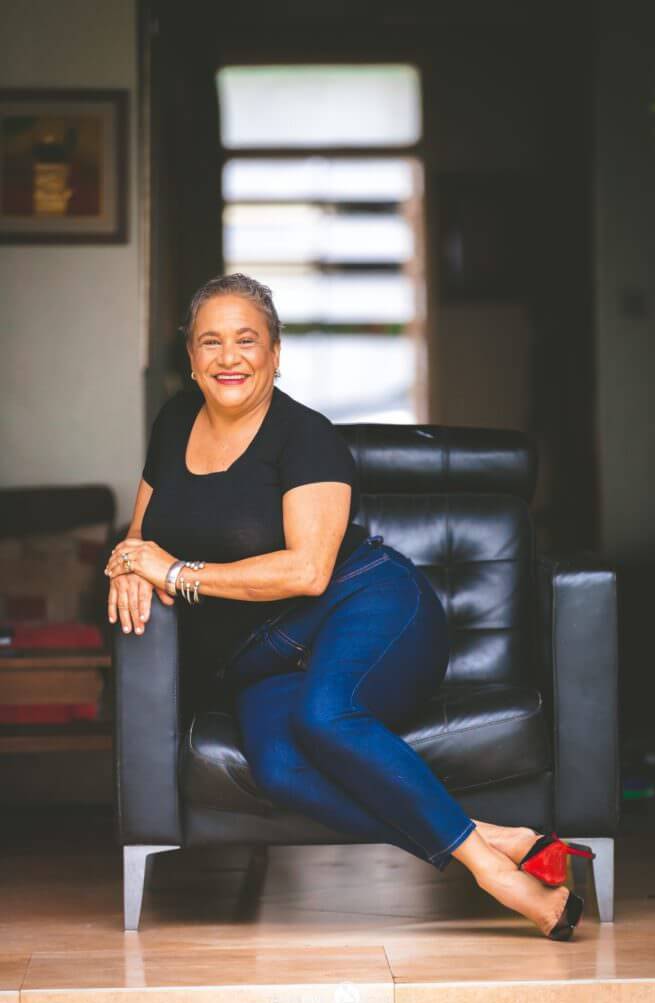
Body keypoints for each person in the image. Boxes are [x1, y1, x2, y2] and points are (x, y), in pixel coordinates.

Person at [105, 272, 586, 941]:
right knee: (280, 771)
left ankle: (493, 875)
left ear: (275, 352)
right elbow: (141, 538)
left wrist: (177, 573)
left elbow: (307, 572)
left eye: (246, 339)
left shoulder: (306, 436)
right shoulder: (172, 424)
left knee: (326, 716)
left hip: (368, 603)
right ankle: (490, 838)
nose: (228, 357)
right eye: (210, 342)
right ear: (190, 357)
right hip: (260, 659)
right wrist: (125, 564)